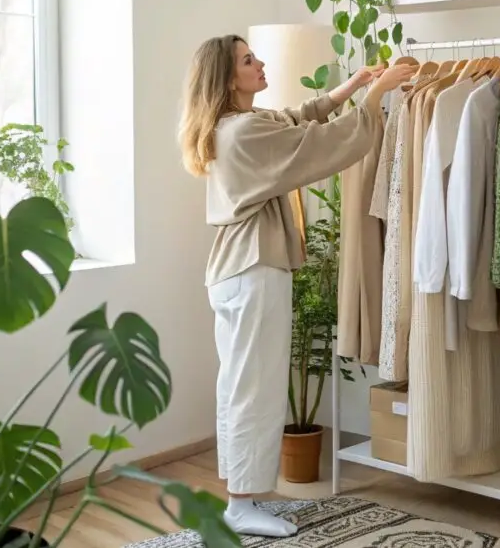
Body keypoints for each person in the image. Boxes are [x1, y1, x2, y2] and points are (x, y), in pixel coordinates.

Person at [177, 34, 417, 537]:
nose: (260, 63)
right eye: (248, 60)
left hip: (237, 271)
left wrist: (349, 87)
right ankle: (241, 504)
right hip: (252, 269)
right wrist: (374, 100)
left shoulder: (235, 126)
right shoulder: (243, 134)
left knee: (241, 386)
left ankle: (239, 495)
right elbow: (316, 145)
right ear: (227, 79)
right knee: (255, 390)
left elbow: (293, 120)